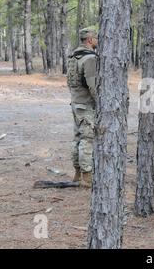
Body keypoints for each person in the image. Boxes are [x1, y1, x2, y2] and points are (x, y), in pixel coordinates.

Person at [67, 28, 98, 188]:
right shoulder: (90, 59)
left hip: (75, 102)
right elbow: (92, 85)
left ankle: (77, 173)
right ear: (90, 40)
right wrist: (100, 102)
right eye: (96, 38)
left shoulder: (73, 56)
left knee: (77, 138)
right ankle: (86, 177)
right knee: (87, 139)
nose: (97, 41)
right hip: (85, 104)